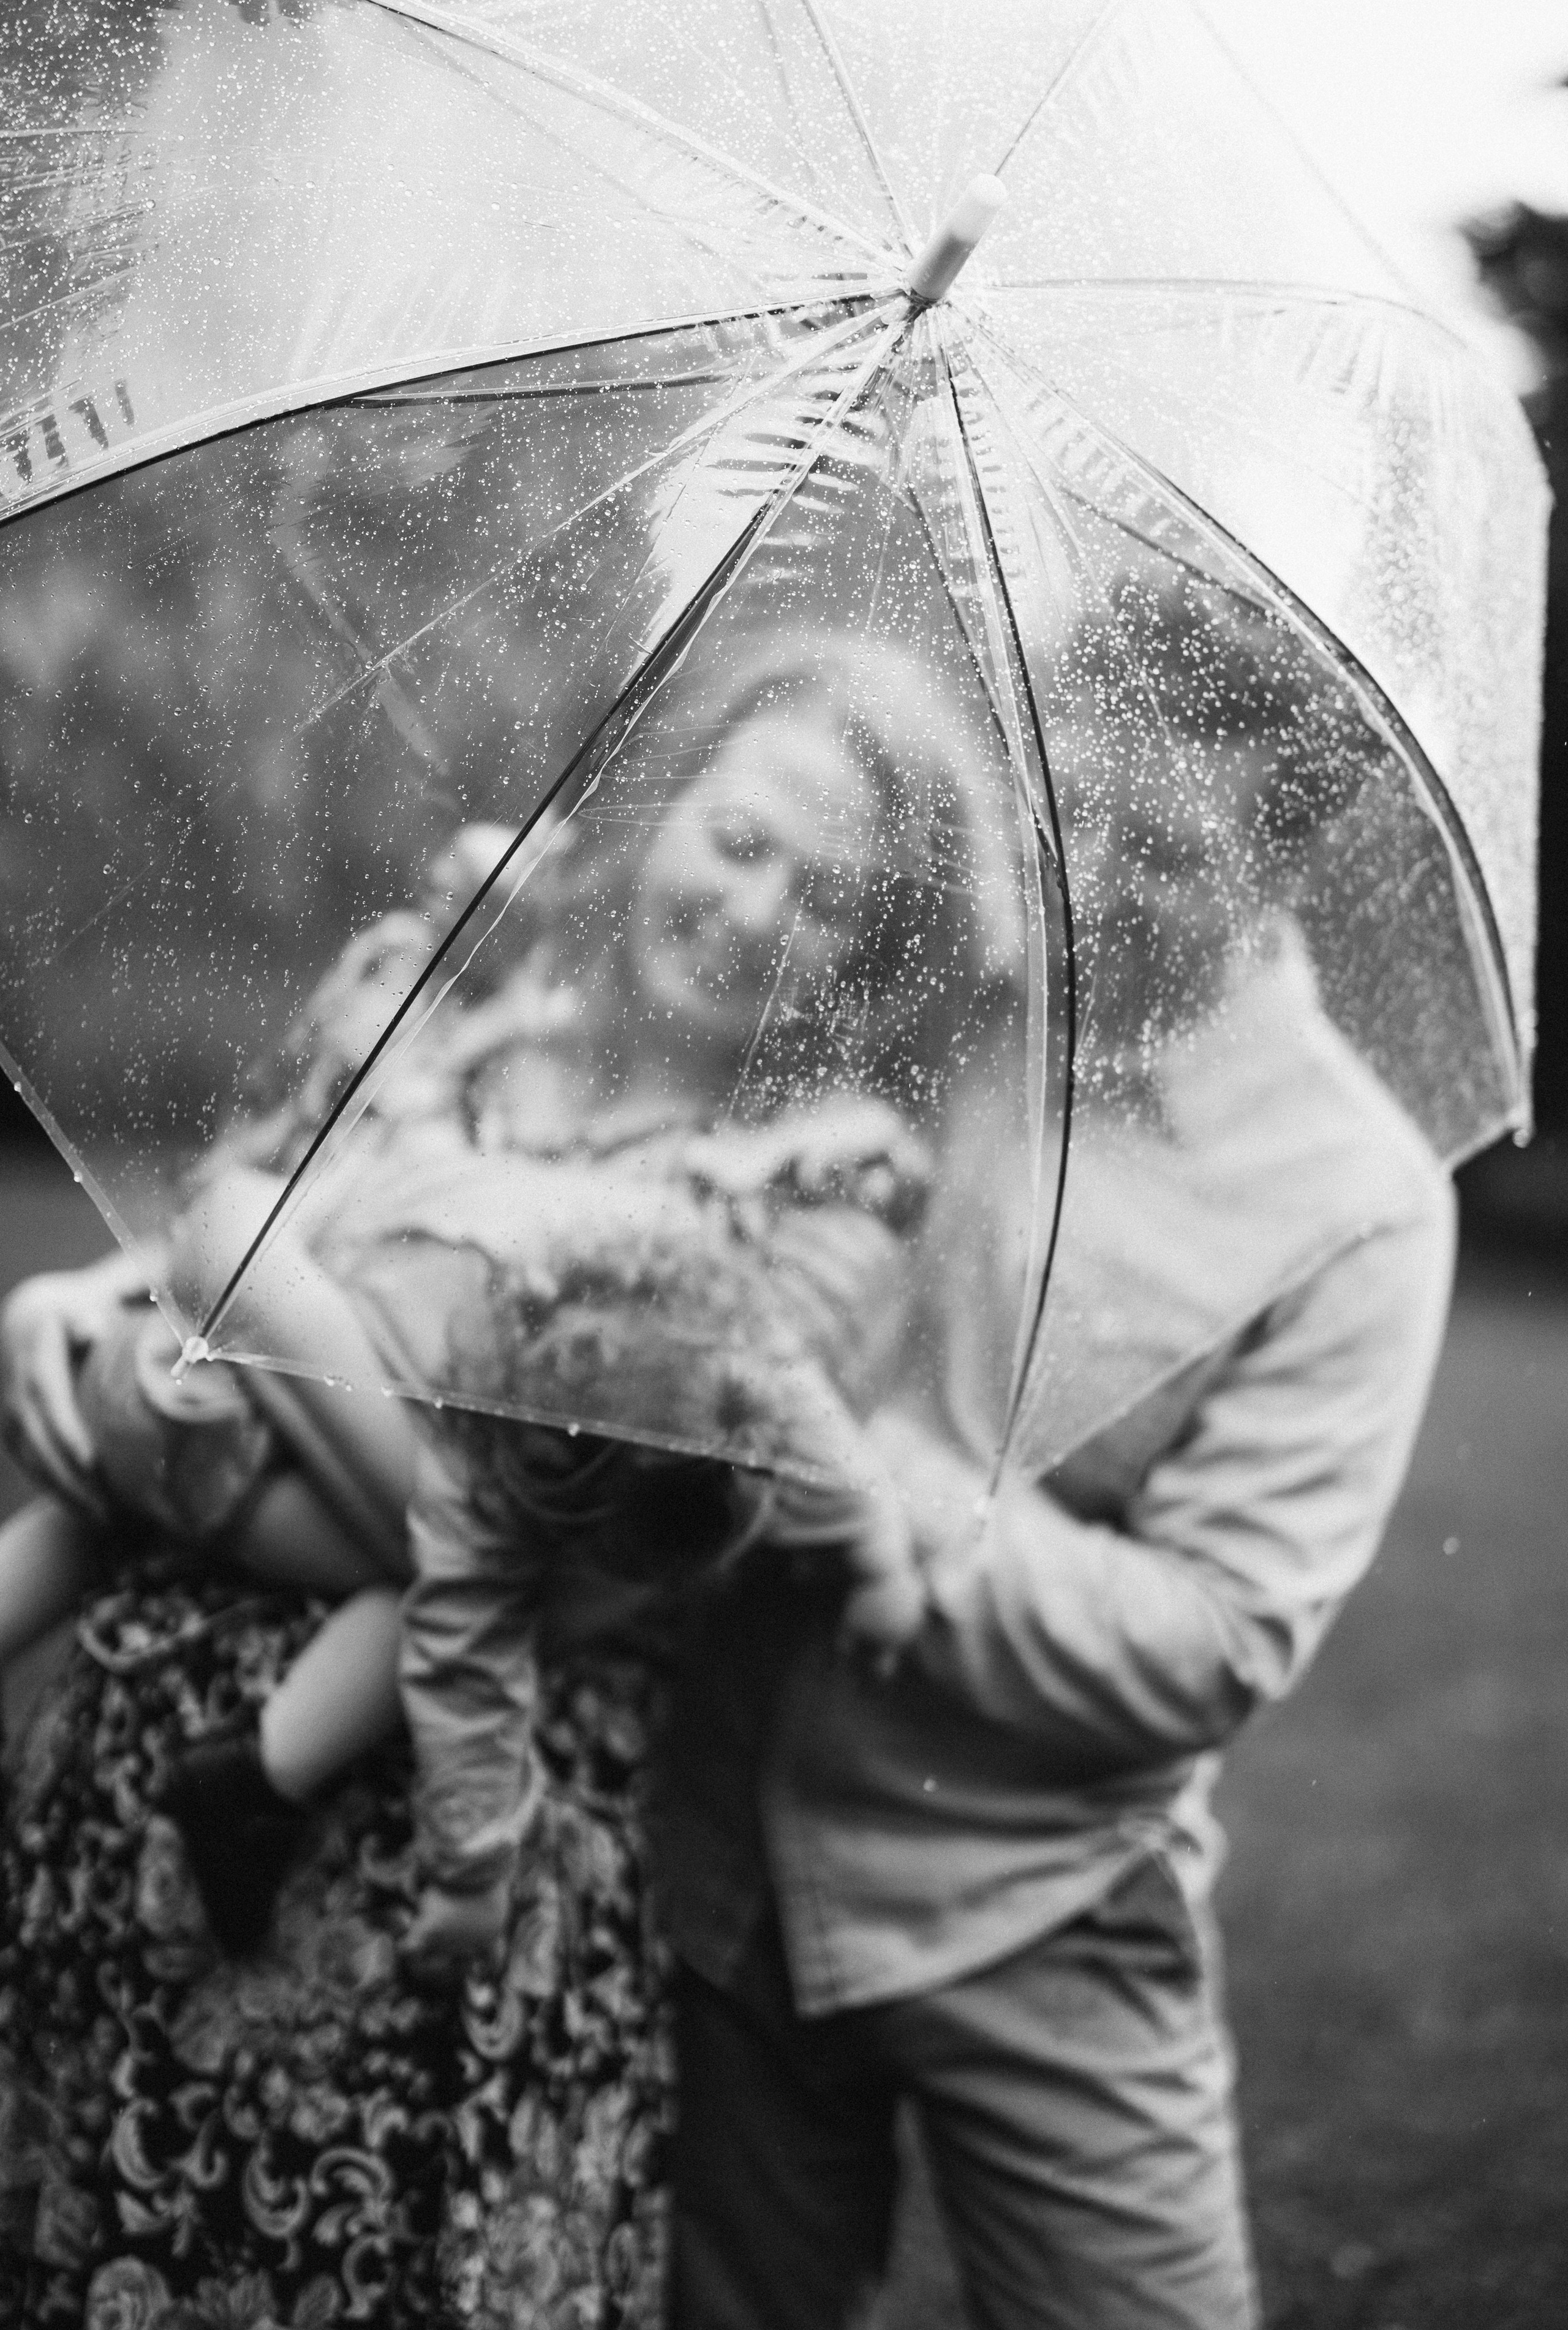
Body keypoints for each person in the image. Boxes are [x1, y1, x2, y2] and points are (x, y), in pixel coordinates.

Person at [658, 580, 1460, 2330]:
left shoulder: (1354, 1208)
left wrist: (889, 1503)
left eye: (1158, 844)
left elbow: (1222, 1637)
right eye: (1061, 796)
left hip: (1033, 1908)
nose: (1081, 865)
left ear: (1282, 861)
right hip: (719, 1843)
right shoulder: (932, 976)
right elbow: (643, 1092)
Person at [0, 633, 1012, 1986]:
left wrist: (262, 1357)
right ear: (661, 811)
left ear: (875, 953)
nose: (760, 912)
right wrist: (76, 1302)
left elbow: (613, 1567)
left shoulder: (826, 1185)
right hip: (120, 1776)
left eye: (828, 897)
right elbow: (261, 1186)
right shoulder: (466, 1007)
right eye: (737, 838)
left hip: (421, 1873)